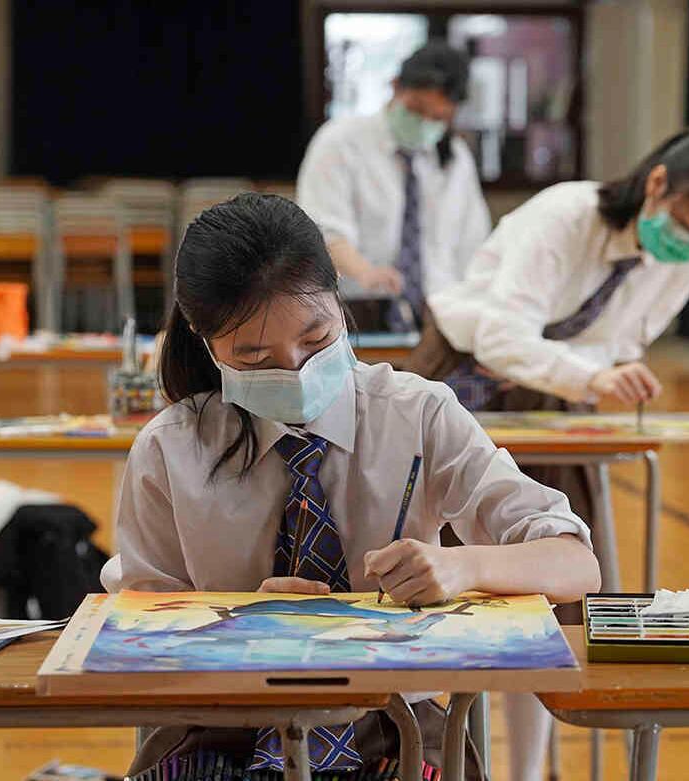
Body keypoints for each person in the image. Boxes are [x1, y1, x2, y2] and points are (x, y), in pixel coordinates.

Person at [101, 193, 600, 780]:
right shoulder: (171, 447)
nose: (295, 370)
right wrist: (247, 622)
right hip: (223, 723)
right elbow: (136, 634)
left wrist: (464, 567)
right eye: (255, 358)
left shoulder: (417, 415)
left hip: (395, 725)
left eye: (316, 340)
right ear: (203, 338)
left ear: (338, 295)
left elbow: (574, 564)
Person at [406, 126, 689, 781]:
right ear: (657, 184)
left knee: (560, 589)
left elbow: (624, 338)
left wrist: (619, 371)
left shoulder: (684, 259)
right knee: (456, 583)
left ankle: (531, 770)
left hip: (559, 398)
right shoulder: (564, 215)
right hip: (465, 375)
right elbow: (500, 336)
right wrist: (591, 374)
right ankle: (450, 757)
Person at [296, 41, 490, 333]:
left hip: (438, 318)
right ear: (396, 86)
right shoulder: (341, 142)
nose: (425, 122)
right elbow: (322, 232)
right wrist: (366, 273)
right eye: (416, 109)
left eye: (438, 117)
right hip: (359, 312)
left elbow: (473, 244)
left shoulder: (455, 158)